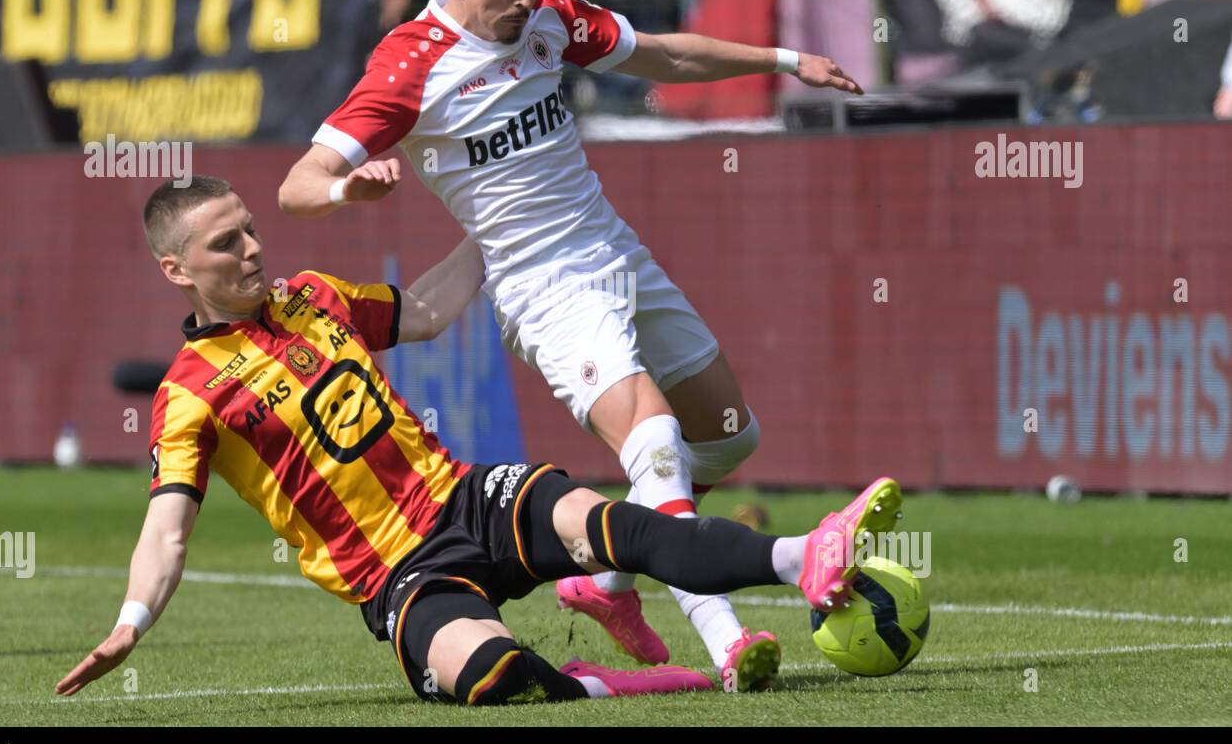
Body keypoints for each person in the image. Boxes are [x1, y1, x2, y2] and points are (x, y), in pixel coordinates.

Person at [279, 0, 864, 690]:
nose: (524, 0)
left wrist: (785, 61)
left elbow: (665, 56)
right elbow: (297, 184)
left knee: (729, 438)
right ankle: (728, 644)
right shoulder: (410, 64)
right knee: (651, 439)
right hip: (542, 288)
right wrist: (350, 190)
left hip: (616, 251)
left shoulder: (551, 18)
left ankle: (608, 580)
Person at [54, 177, 902, 705]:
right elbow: (166, 532)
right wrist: (131, 622)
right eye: (226, 241)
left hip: (466, 496)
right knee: (495, 680)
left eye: (249, 227)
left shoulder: (311, 295)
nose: (252, 246)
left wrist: (496, 229)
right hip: (399, 577)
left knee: (617, 525)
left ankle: (805, 554)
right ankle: (601, 686)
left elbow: (420, 313)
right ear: (177, 269)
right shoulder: (187, 397)